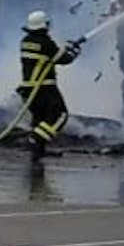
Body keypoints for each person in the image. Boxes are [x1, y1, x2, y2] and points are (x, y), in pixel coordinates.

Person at [17, 11, 83, 161]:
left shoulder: (26, 41)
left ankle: (38, 152)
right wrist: (75, 51)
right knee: (60, 115)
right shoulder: (45, 42)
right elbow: (63, 59)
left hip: (28, 89)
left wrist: (64, 48)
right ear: (43, 25)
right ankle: (35, 138)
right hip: (44, 88)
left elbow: (50, 54)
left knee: (40, 118)